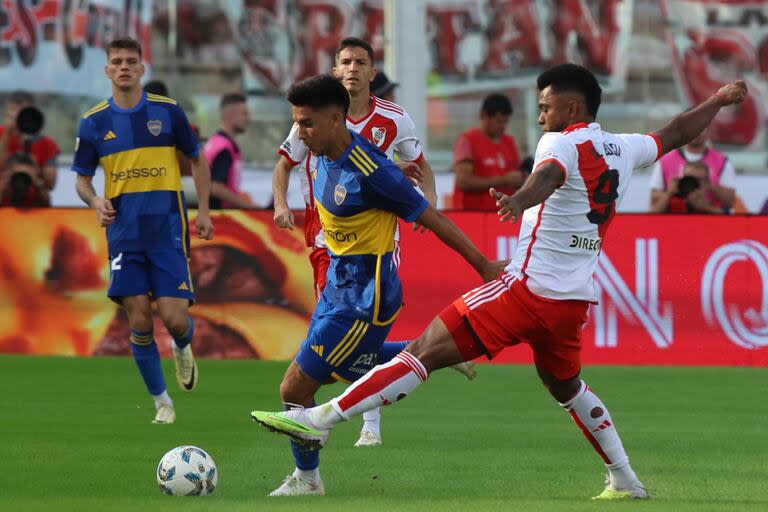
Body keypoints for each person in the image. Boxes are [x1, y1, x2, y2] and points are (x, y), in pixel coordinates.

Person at [250, 64, 748, 500]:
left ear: (571, 107)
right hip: (572, 301)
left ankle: (322, 417)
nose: (540, 117)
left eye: (546, 107)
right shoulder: (624, 147)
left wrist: (521, 198)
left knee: (422, 352)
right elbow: (677, 131)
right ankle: (624, 478)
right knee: (567, 386)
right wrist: (717, 101)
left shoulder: (560, 141)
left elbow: (549, 173)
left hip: (525, 289)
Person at [257, 74, 502, 497]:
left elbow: (433, 220)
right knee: (352, 366)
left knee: (294, 388)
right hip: (339, 285)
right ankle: (431, 353)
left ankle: (308, 480)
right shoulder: (325, 152)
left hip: (363, 298)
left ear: (336, 119)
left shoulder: (372, 170)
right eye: (297, 123)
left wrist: (483, 265)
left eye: (307, 124)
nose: (300, 133)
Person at [271, 36, 439, 448]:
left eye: (360, 62)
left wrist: (429, 203)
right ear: (335, 71)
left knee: (352, 335)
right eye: (344, 61)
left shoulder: (394, 120)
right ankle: (429, 350)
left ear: (372, 72)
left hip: (375, 238)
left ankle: (363, 423)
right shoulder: (309, 117)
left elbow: (418, 166)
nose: (352, 68)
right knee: (340, 340)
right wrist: (280, 203)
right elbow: (285, 165)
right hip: (323, 236)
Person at [71, 37, 214, 424]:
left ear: (141, 68)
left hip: (167, 228)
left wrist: (203, 209)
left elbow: (198, 162)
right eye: (116, 61)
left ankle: (182, 345)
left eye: (130, 61)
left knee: (174, 320)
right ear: (107, 70)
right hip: (124, 233)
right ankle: (162, 402)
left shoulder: (168, 113)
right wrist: (95, 201)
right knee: (137, 320)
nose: (123, 67)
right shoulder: (94, 122)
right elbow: (82, 179)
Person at [452, 93, 524, 210]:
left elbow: (518, 176)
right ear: (484, 115)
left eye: (506, 122)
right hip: (473, 216)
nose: (502, 126)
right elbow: (463, 181)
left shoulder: (509, 141)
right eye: (499, 121)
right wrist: (503, 180)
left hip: (504, 215)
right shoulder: (467, 140)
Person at [648, 125, 736, 213]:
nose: (696, 132)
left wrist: (710, 190)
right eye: (692, 128)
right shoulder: (665, 160)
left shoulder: (722, 161)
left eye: (701, 128)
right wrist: (670, 193)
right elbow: (653, 201)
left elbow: (730, 201)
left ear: (709, 131)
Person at [203, 93, 257, 209]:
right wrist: (249, 206)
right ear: (230, 115)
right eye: (244, 114)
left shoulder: (216, 142)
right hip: (220, 219)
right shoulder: (224, 148)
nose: (249, 119)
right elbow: (216, 188)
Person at [0, 90, 60, 193]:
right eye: (15, 111)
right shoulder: (3, 134)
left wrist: (35, 173)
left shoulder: (47, 144)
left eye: (24, 112)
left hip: (35, 202)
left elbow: (51, 184)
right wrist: (7, 133)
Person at [654, 161, 723, 214]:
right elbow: (651, 218)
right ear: (682, 180)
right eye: (689, 179)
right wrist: (668, 193)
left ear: (707, 183)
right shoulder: (672, 202)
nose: (693, 184)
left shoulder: (716, 204)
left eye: (699, 180)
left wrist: (707, 208)